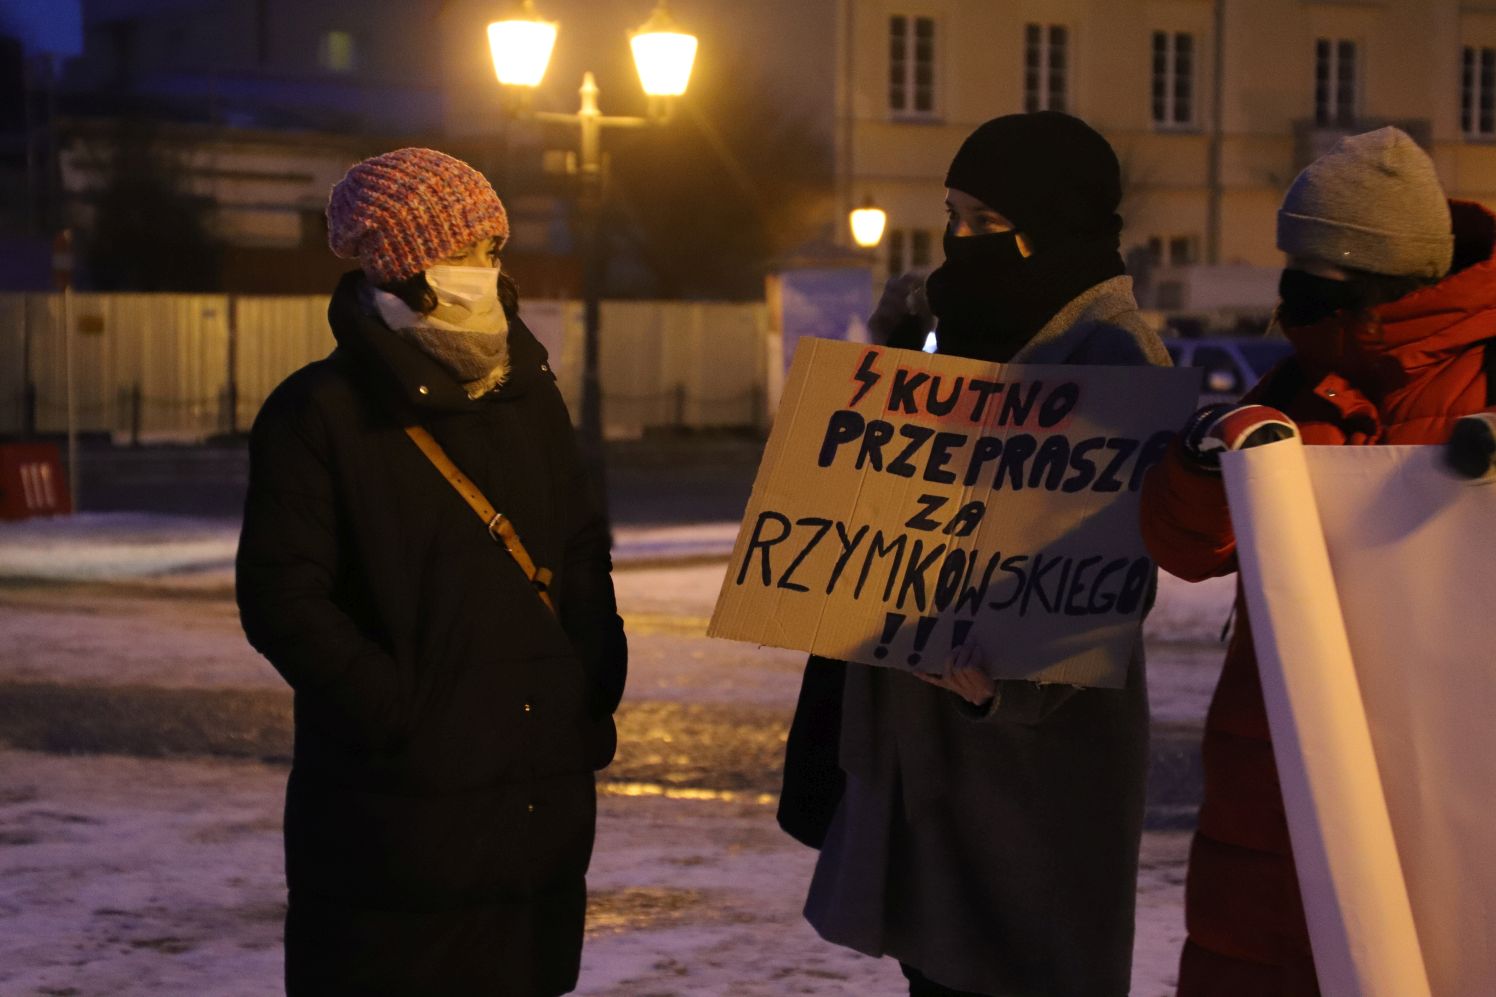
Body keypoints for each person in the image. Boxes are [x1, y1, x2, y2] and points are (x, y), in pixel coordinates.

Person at [235, 147, 626, 996]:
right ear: (409, 265)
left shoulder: (531, 393)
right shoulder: (319, 412)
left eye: (496, 250)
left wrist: (592, 685)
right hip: (393, 829)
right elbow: (280, 594)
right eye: (478, 250)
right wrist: (399, 711)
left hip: (535, 815)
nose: (494, 269)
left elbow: (584, 547)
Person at [798, 111, 1171, 997]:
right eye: (953, 217)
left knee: (1017, 963)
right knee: (938, 969)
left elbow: (1110, 569)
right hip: (926, 745)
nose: (961, 242)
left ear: (1052, 227)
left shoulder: (1112, 355)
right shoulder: (951, 331)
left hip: (1023, 764)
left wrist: (1012, 682)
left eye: (987, 225)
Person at [1140, 126, 1496, 995]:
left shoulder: (1481, 379)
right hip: (1274, 781)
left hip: (1442, 773)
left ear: (1376, 278)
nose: (1287, 296)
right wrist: (1202, 465)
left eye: (1312, 274)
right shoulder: (1295, 387)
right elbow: (1186, 549)